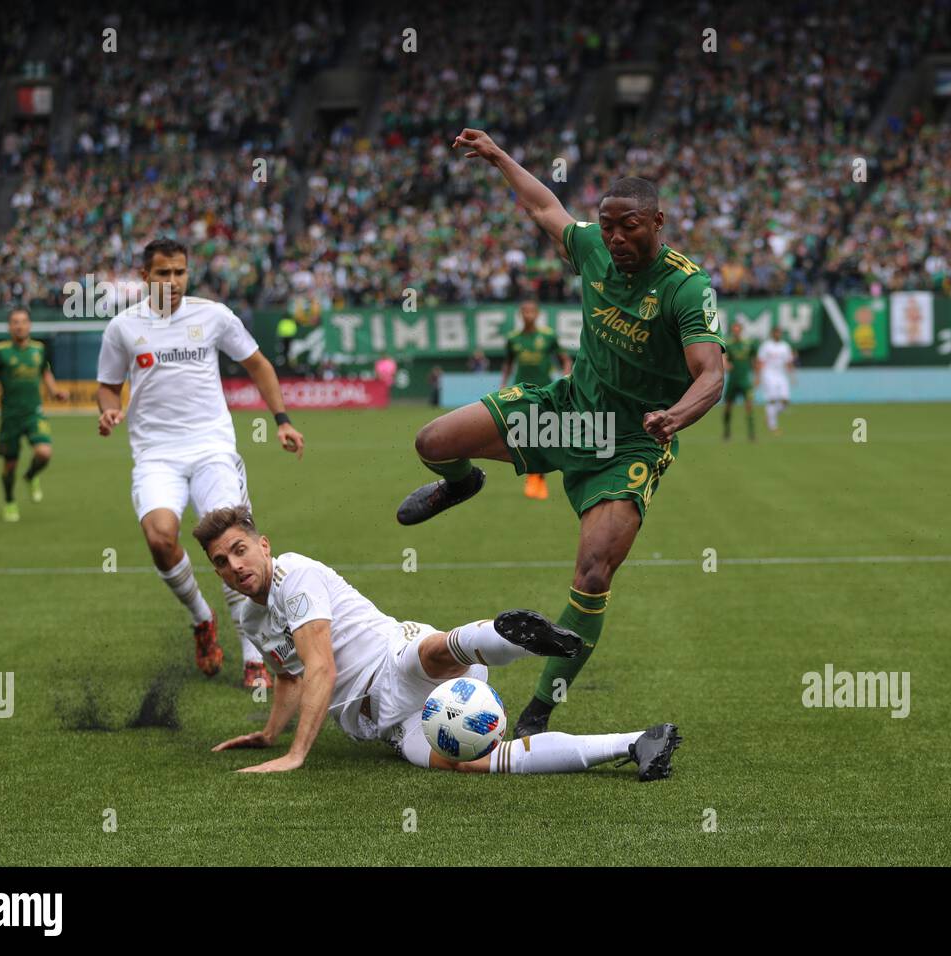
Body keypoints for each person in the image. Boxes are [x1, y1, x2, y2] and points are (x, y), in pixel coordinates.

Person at [396, 129, 725, 737]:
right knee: (432, 442)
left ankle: (539, 713)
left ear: (658, 222)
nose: (617, 238)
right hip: (568, 411)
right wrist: (498, 157)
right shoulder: (594, 251)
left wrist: (675, 416)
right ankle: (462, 483)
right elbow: (545, 207)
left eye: (629, 226)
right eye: (608, 227)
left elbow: (712, 373)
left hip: (627, 444)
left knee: (593, 572)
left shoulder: (686, 287)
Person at [195, 505, 681, 779]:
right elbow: (288, 674)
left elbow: (321, 668)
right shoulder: (247, 613)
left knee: (431, 653)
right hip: (392, 722)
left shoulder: (293, 575)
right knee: (474, 764)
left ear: (264, 545)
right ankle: (639, 742)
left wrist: (295, 754)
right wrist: (269, 734)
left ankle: (514, 638)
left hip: (392, 658)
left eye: (240, 550)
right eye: (221, 561)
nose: (234, 566)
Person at [96, 237, 306, 688]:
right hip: (156, 454)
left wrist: (282, 421)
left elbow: (258, 365)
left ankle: (254, 654)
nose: (172, 281)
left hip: (212, 447)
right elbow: (108, 384)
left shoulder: (213, 316)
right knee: (159, 537)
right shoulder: (123, 327)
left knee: (233, 544)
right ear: (145, 276)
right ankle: (201, 617)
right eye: (162, 273)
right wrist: (108, 409)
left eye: (179, 272)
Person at [0, 310, 66, 519]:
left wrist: (55, 391)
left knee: (44, 453)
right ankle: (9, 501)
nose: (19, 326)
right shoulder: (0, 351)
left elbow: (45, 372)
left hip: (34, 412)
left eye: (23, 322)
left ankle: (31, 476)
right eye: (15, 322)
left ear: (29, 326)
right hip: (10, 416)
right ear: (9, 327)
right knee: (9, 465)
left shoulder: (39, 349)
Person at [500, 299, 571, 499]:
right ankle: (534, 477)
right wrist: (503, 384)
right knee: (524, 435)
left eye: (531, 311)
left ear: (537, 313)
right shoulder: (513, 338)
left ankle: (539, 478)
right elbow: (508, 363)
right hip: (520, 392)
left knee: (545, 435)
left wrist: (566, 377)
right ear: (520, 314)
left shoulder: (548, 336)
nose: (528, 315)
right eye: (525, 311)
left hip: (545, 391)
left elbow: (565, 359)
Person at [721, 321, 758, 441]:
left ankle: (751, 434)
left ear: (741, 330)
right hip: (733, 381)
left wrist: (757, 377)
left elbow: (754, 360)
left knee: (749, 407)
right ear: (732, 331)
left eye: (738, 330)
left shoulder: (748, 344)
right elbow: (723, 357)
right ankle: (727, 432)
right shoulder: (729, 344)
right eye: (734, 330)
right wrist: (726, 364)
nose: (736, 332)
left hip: (745, 381)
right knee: (728, 407)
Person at [756, 325, 796, 435]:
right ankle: (773, 426)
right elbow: (760, 362)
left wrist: (792, 376)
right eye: (776, 332)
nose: (778, 334)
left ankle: (770, 416)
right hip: (768, 375)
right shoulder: (766, 346)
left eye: (779, 333)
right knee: (772, 399)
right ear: (772, 333)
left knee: (785, 400)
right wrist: (758, 377)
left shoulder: (785, 347)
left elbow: (789, 362)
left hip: (781, 375)